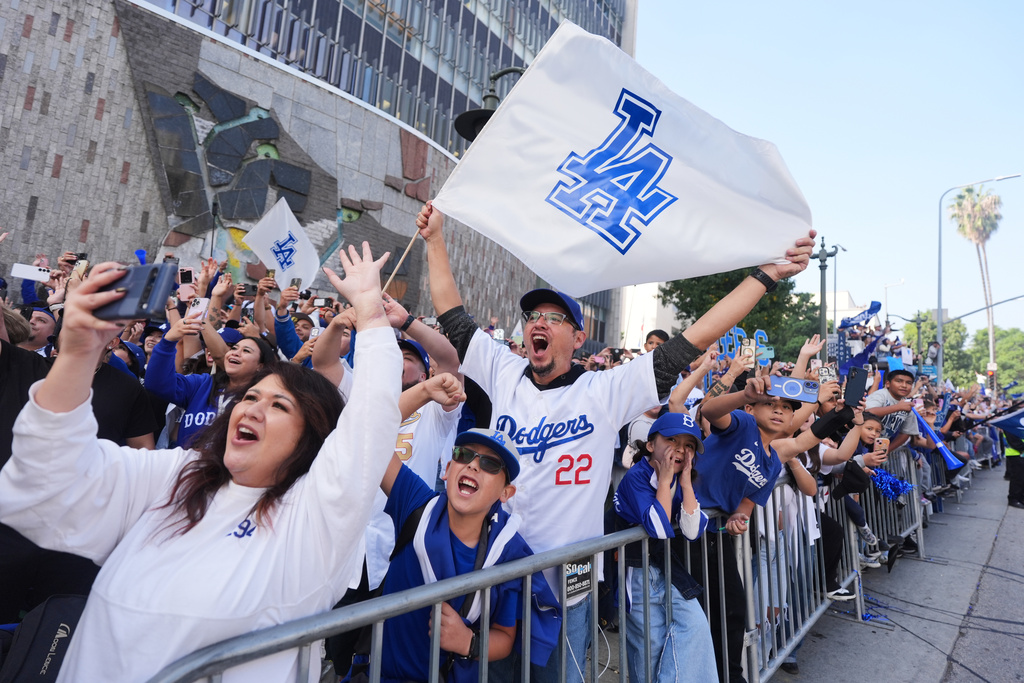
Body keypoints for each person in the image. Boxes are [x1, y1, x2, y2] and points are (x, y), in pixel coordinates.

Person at [415, 201, 815, 682]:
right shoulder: (503, 371)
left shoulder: (603, 390)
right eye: (532, 316)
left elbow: (692, 339)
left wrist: (766, 274)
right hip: (498, 574)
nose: (538, 323)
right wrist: (435, 239)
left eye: (554, 317)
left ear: (579, 337)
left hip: (567, 585)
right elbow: (453, 317)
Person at [0, 244, 402, 682]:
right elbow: (48, 484)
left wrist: (370, 313)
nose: (251, 409)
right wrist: (78, 354)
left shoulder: (315, 518)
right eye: (250, 397)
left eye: (279, 406)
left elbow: (372, 419)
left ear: (313, 436)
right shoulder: (179, 474)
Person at [376, 426, 560, 682]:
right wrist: (425, 392)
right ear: (449, 469)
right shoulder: (415, 504)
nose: (473, 465)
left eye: (491, 464)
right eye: (464, 454)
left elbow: (505, 636)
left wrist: (468, 643)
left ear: (505, 493)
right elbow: (370, 431)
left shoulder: (507, 552)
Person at [612, 413, 715, 683]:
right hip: (634, 573)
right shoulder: (636, 476)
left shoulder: (683, 478)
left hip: (666, 569)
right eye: (672, 440)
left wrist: (684, 483)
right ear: (650, 445)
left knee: (695, 626)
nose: (680, 450)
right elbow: (658, 527)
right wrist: (667, 478)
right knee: (648, 651)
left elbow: (693, 531)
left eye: (689, 445)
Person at [145, 311, 277, 448]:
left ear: (260, 366)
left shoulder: (263, 402)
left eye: (246, 351)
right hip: (187, 466)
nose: (235, 353)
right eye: (235, 348)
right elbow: (157, 384)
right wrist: (168, 341)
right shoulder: (202, 384)